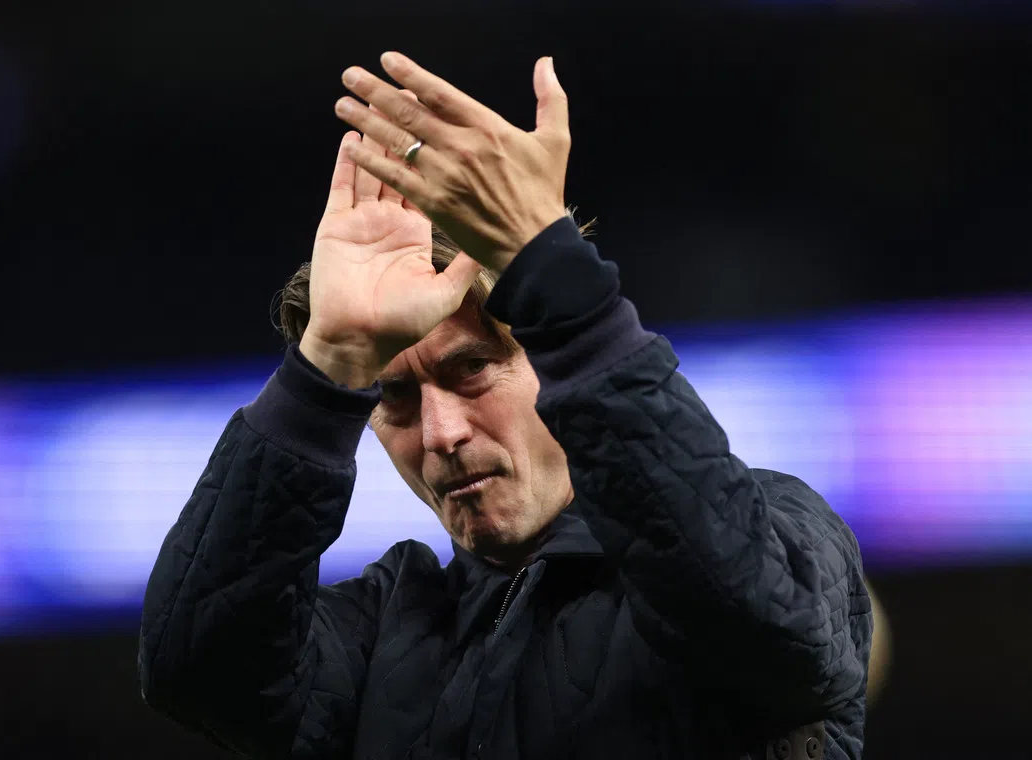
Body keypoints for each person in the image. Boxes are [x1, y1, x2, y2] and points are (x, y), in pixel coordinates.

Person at [138, 52, 872, 760]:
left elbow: (757, 620)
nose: (441, 433)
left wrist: (557, 285)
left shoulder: (783, 529)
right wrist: (323, 370)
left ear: (550, 359)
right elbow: (197, 670)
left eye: (473, 369)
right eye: (392, 398)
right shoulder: (384, 629)